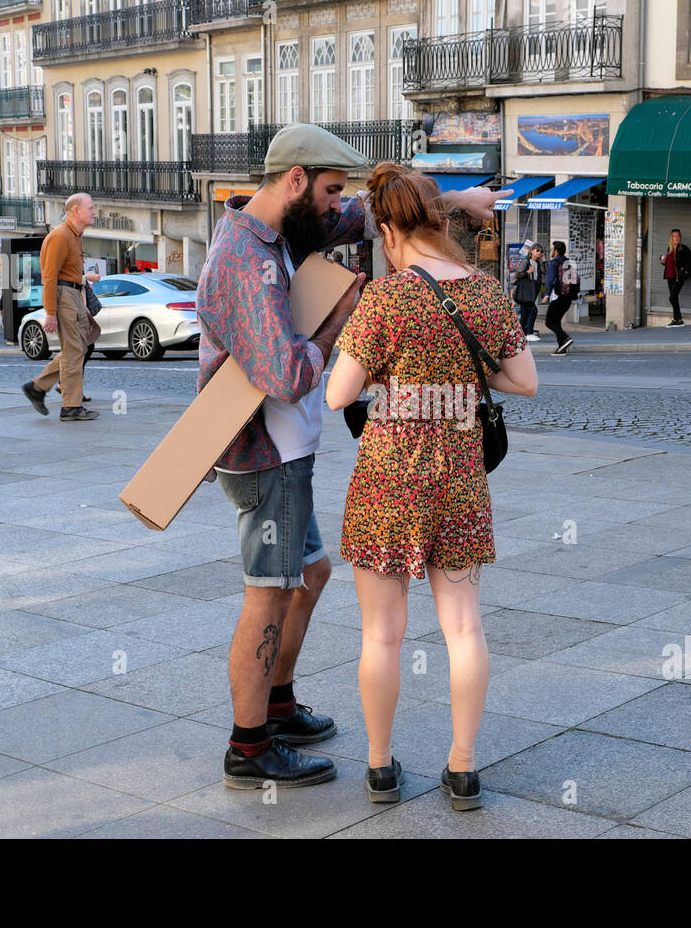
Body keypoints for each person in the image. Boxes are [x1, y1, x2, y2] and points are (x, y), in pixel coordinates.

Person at [196, 123, 510, 791]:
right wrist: (346, 315)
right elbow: (285, 373)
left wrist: (459, 202)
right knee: (269, 594)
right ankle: (250, 745)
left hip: (291, 451)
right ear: (295, 180)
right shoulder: (244, 261)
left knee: (310, 576)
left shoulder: (287, 230)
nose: (343, 211)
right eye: (334, 193)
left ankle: (278, 705)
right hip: (264, 457)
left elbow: (389, 214)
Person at [326, 164, 537, 810]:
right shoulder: (487, 292)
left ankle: (381, 767)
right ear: (441, 224)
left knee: (381, 636)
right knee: (465, 629)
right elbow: (523, 380)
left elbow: (339, 395)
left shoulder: (385, 301)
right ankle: (464, 769)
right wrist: (469, 385)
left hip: (388, 480)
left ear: (388, 230)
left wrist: (390, 382)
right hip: (460, 479)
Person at [20, 192, 101, 421]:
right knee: (74, 351)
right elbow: (49, 277)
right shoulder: (60, 237)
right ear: (75, 210)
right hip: (64, 296)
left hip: (73, 296)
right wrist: (51, 313)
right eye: (90, 208)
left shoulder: (75, 236)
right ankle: (70, 407)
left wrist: (80, 298)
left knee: (78, 349)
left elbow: (70, 275)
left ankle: (37, 387)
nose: (94, 212)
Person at [543, 240, 577, 354]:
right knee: (556, 322)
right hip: (567, 297)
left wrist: (547, 293)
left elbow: (550, 280)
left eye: (552, 249)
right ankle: (562, 347)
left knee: (549, 322)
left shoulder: (554, 263)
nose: (551, 251)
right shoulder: (568, 262)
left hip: (557, 296)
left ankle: (565, 338)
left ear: (556, 251)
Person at [659, 229, 691, 327]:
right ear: (671, 238)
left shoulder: (683, 248)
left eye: (678, 236)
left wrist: (683, 268)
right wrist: (663, 262)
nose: (676, 238)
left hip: (678, 276)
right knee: (674, 298)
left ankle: (678, 319)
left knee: (672, 297)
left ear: (680, 237)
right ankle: (677, 320)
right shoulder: (670, 248)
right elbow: (670, 263)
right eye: (674, 236)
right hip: (669, 275)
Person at [513, 244, 543, 341]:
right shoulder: (526, 261)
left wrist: (544, 260)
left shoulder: (538, 262)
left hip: (532, 290)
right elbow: (517, 275)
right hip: (526, 291)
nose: (539, 253)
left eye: (541, 251)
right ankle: (529, 333)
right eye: (537, 250)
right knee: (533, 311)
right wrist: (528, 272)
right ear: (531, 251)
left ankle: (521, 335)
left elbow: (544, 272)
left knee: (525, 312)